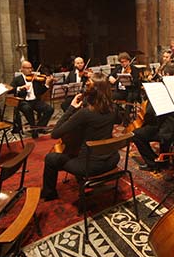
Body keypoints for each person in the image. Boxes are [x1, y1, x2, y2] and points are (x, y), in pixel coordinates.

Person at [41, 72, 120, 201]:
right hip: (112, 160)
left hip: (89, 166)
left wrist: (71, 108)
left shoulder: (85, 113)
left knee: (50, 158)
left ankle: (49, 193)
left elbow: (55, 134)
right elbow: (119, 121)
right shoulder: (114, 108)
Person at [133, 63, 174, 171]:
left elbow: (149, 113)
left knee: (136, 134)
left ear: (165, 74)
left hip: (168, 132)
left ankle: (154, 162)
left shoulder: (160, 89)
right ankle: (164, 159)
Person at [10, 61, 55, 138]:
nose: (30, 70)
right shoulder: (17, 79)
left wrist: (47, 84)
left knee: (49, 109)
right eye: (28, 68)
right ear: (22, 69)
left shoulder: (35, 78)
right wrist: (20, 88)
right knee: (27, 108)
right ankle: (34, 128)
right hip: (23, 101)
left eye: (31, 68)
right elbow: (10, 90)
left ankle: (39, 127)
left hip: (35, 101)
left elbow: (40, 91)